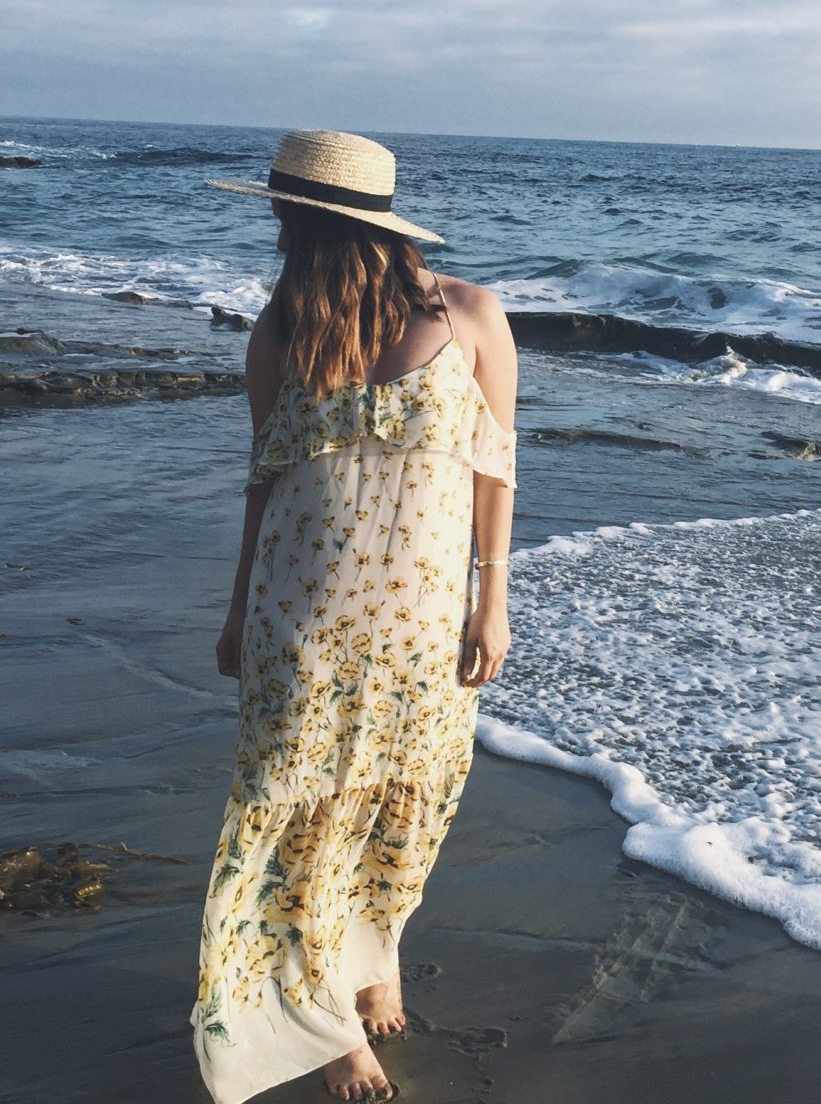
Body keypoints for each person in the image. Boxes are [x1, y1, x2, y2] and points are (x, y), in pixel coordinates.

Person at [192, 130, 518, 1104]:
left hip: (421, 623)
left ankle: (377, 952)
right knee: (305, 820)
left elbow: (496, 466)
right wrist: (235, 608)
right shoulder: (284, 329)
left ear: (317, 224)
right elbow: (264, 480)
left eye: (291, 220)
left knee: (405, 803)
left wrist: (489, 602)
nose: (283, 235)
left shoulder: (469, 317)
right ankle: (330, 1025)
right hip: (301, 621)